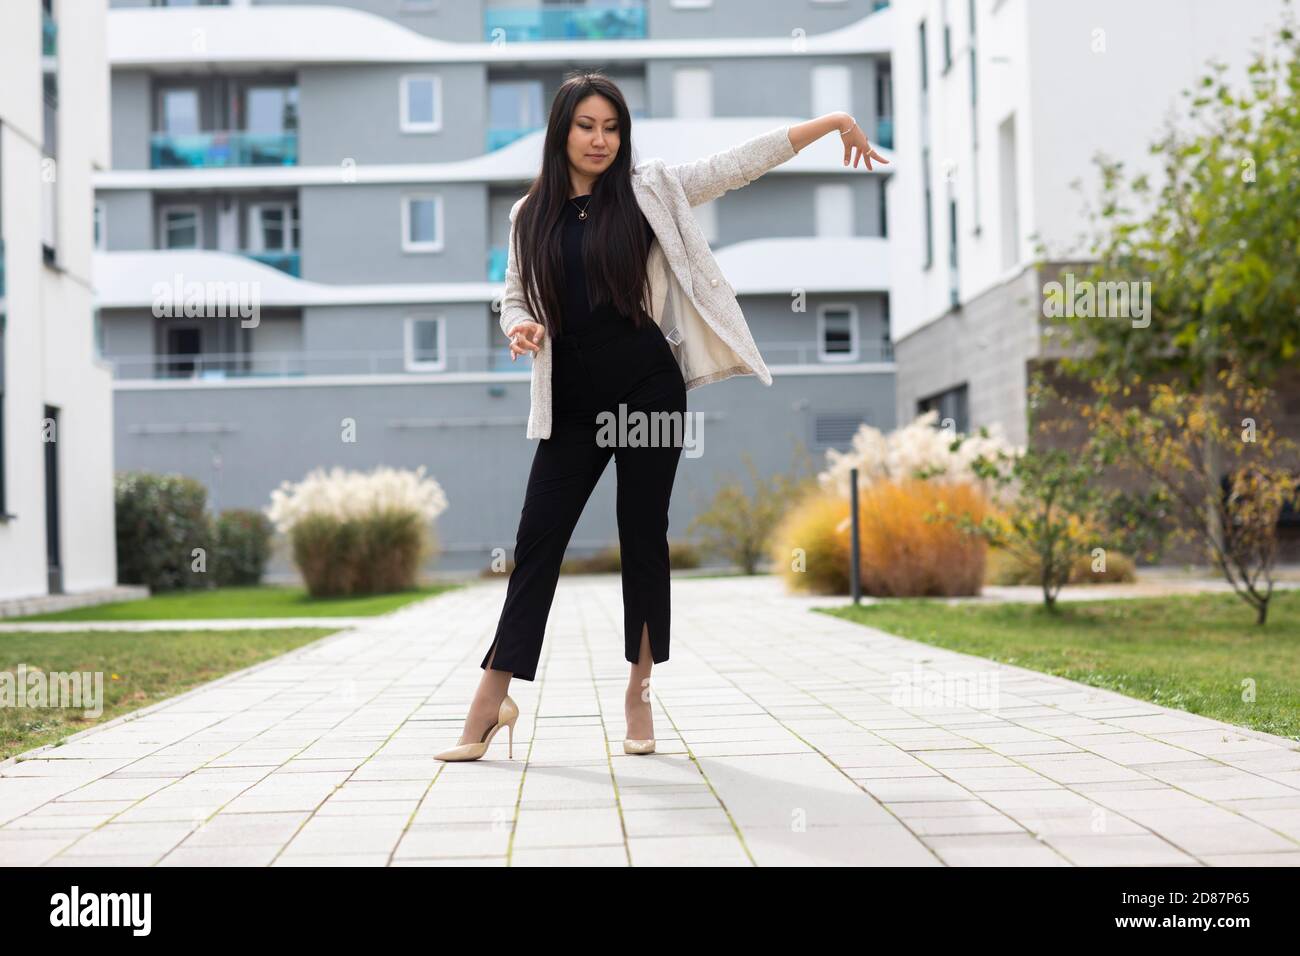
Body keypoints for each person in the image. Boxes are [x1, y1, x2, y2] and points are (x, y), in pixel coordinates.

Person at [435, 71, 887, 763]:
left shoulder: (652, 190)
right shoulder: (530, 214)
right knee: (537, 545)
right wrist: (519, 327)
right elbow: (514, 296)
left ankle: (638, 693)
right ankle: (492, 699)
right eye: (586, 126)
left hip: (649, 389)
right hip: (572, 403)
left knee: (642, 537)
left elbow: (736, 165)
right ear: (562, 132)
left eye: (611, 127)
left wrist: (829, 123)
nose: (600, 140)